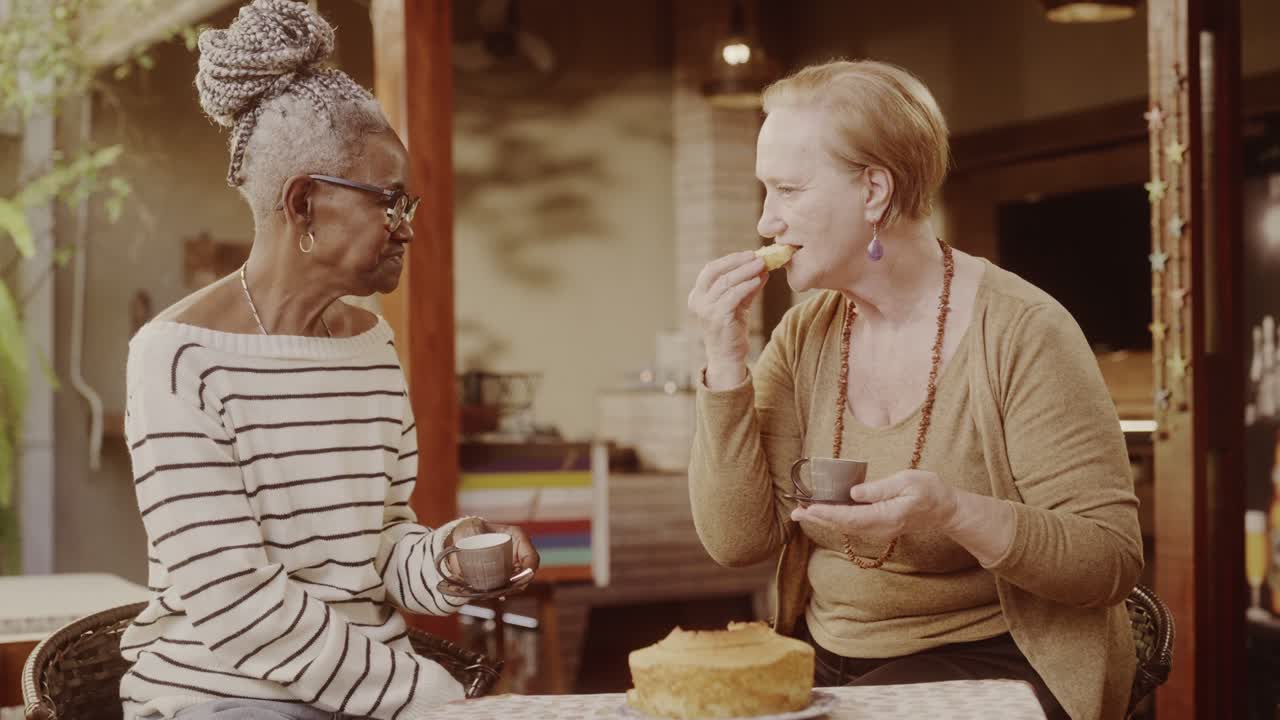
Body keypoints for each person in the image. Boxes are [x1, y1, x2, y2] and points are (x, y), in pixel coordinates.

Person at [686, 59, 1142, 720]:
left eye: (786, 190)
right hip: (822, 654)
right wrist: (724, 359)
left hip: (1000, 655)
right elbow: (737, 543)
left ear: (874, 191)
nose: (765, 222)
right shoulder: (803, 334)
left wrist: (954, 513)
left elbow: (1110, 560)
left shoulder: (1023, 331)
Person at [119, 2, 538, 718]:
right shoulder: (177, 357)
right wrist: (428, 697)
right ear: (305, 204)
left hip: (365, 695)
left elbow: (375, 548)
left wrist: (444, 563)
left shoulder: (369, 346)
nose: (407, 227)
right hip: (228, 699)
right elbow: (236, 605)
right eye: (388, 202)